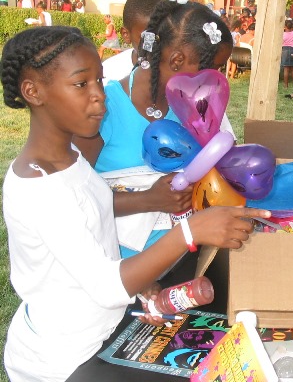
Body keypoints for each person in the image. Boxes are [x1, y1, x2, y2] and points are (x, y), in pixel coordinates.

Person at [0, 26, 270, 382]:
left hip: (105, 328)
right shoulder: (40, 188)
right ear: (33, 92)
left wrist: (143, 285)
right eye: (82, 85)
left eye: (99, 80)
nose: (100, 96)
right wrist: (192, 229)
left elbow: (91, 234)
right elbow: (108, 286)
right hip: (64, 360)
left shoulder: (69, 162)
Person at [73, 0, 236, 259]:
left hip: (185, 259)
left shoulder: (198, 106)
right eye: (213, 68)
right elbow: (72, 199)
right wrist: (149, 199)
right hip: (120, 270)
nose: (218, 80)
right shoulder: (104, 109)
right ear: (176, 60)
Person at [101, 0, 163, 84]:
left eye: (164, 35)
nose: (156, 45)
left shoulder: (176, 72)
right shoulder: (109, 73)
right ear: (126, 35)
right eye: (148, 38)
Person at [282, 19, 293, 88]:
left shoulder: (283, 34)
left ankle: (286, 85)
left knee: (286, 69)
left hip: (285, 50)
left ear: (285, 26)